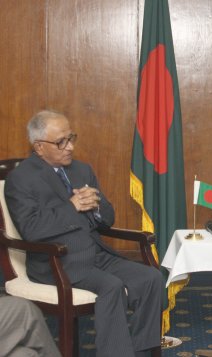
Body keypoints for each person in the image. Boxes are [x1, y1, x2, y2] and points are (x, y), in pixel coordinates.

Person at [4, 110, 163, 357]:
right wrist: (72, 206)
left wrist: (97, 207)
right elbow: (32, 229)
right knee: (112, 286)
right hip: (58, 261)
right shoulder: (21, 179)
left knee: (150, 277)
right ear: (38, 147)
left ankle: (143, 350)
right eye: (61, 142)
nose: (70, 147)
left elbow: (108, 219)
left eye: (71, 138)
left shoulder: (81, 169)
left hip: (96, 254)